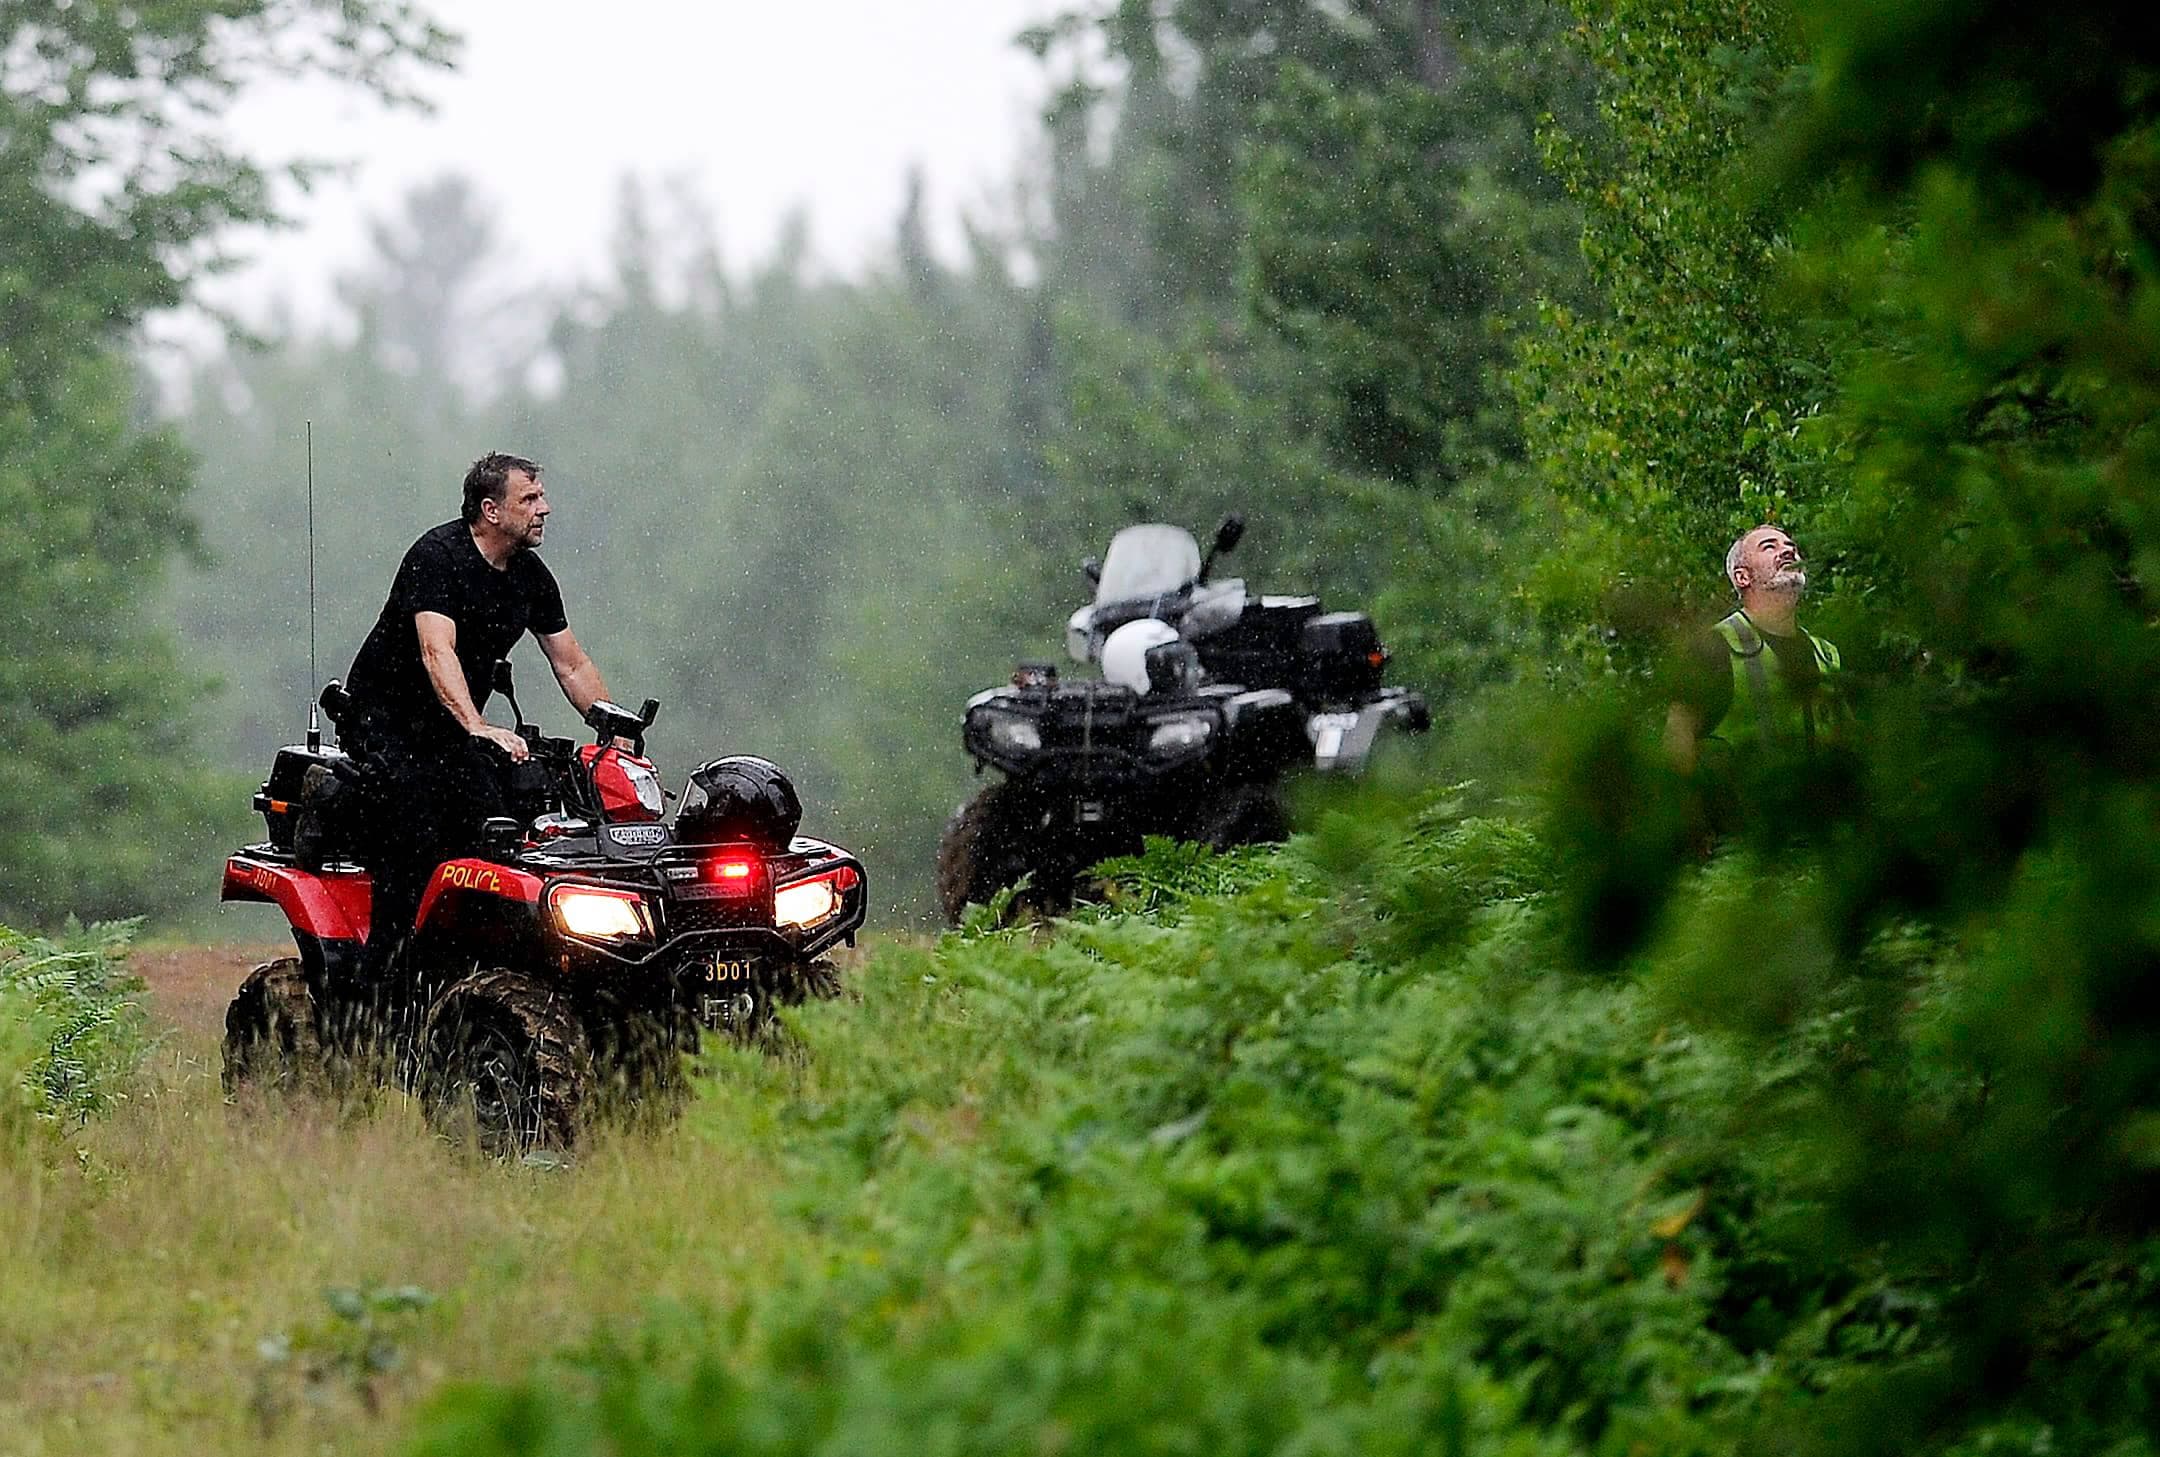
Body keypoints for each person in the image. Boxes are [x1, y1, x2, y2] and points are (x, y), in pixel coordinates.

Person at [341, 452, 618, 982]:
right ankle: (383, 983)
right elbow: (436, 652)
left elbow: (571, 663)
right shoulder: (437, 557)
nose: (545, 509)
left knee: (511, 825)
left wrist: (613, 730)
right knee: (418, 831)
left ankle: (494, 970)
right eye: (529, 499)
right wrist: (476, 725)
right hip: (384, 723)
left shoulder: (530, 575)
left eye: (541, 497)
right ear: (491, 510)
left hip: (452, 731)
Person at [1665, 523, 1842, 776]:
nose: (1788, 551)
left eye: (1791, 547)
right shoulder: (1714, 646)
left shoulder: (1826, 653)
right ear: (1743, 577)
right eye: (1769, 547)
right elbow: (1678, 741)